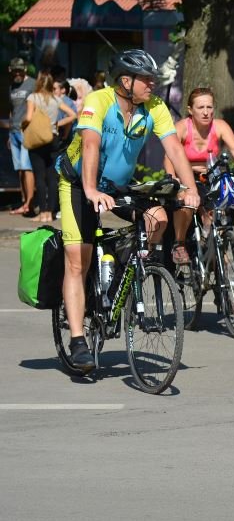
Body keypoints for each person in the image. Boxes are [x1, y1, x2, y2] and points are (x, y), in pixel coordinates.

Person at [56, 49, 200, 372]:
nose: (153, 84)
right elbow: (90, 145)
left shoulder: (155, 107)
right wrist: (91, 190)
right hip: (78, 183)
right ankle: (78, 340)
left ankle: (123, 271)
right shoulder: (98, 101)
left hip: (118, 186)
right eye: (146, 79)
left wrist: (190, 189)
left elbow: (175, 149)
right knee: (78, 259)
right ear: (125, 81)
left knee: (158, 218)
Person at [164, 87, 234, 264]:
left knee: (226, 203)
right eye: (201, 107)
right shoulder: (182, 128)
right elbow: (170, 156)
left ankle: (218, 246)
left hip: (211, 176)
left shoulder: (220, 126)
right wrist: (173, 178)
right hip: (187, 177)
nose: (206, 112)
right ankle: (179, 244)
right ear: (190, 110)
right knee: (186, 202)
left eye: (209, 107)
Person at [23, 71, 77, 223]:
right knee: (52, 177)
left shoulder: (33, 98)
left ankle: (42, 213)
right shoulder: (55, 99)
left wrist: (23, 124)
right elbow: (73, 115)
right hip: (53, 139)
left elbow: (28, 117)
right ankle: (51, 213)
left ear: (39, 82)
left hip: (37, 140)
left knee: (39, 177)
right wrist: (57, 124)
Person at [7, 58, 36, 215]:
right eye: (15, 71)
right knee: (19, 169)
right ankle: (24, 201)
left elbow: (37, 107)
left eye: (20, 70)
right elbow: (12, 110)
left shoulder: (32, 84)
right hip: (14, 132)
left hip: (27, 131)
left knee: (27, 168)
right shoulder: (12, 86)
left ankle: (30, 204)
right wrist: (9, 132)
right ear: (10, 70)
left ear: (25, 69)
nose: (17, 73)